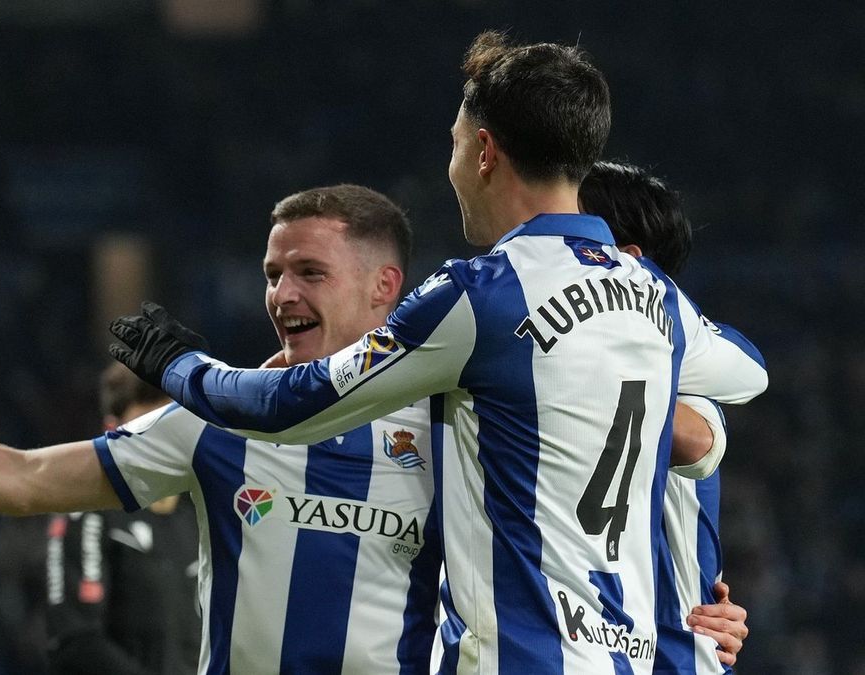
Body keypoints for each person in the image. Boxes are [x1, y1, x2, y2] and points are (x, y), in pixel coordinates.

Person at [108, 31, 768, 673]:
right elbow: (748, 374)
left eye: (454, 146)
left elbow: (292, 404)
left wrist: (179, 365)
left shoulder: (480, 296)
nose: (450, 169)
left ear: (484, 153)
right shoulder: (654, 297)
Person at [0, 185, 446, 673]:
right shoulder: (217, 422)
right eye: (271, 272)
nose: (281, 293)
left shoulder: (455, 428)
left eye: (309, 272)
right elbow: (23, 478)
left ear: (384, 287)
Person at [580, 160, 748, 672]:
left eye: (574, 226)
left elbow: (698, 442)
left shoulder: (689, 380)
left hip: (669, 656)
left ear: (629, 262)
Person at [45, 363, 199, 675]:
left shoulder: (203, 516)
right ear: (112, 429)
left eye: (172, 427)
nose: (164, 442)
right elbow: (75, 643)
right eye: (147, 429)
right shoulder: (89, 513)